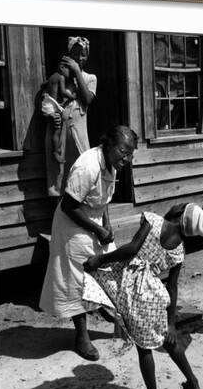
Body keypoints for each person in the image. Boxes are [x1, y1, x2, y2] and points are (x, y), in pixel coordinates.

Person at [82, 203, 203, 389]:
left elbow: (131, 249)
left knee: (143, 348)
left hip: (133, 290)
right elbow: (172, 286)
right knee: (168, 340)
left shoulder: (154, 221)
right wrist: (171, 323)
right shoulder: (179, 251)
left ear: (180, 213)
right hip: (156, 296)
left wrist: (100, 259)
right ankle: (193, 383)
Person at [39, 125, 138, 361]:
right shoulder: (88, 166)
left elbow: (103, 200)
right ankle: (81, 337)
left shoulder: (112, 164)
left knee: (109, 268)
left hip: (94, 221)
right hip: (72, 226)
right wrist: (97, 229)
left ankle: (112, 314)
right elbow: (68, 206)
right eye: (124, 152)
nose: (128, 158)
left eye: (131, 153)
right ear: (109, 146)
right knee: (77, 280)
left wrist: (107, 224)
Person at [44, 36, 97, 197]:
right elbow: (47, 100)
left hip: (78, 131)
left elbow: (87, 99)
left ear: (87, 57)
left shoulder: (89, 78)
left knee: (85, 168)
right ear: (67, 56)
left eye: (82, 54)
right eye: (74, 55)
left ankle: (90, 212)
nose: (78, 58)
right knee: (58, 172)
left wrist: (76, 71)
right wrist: (51, 116)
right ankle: (59, 213)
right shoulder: (59, 77)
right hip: (59, 131)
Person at [41, 59, 77, 163]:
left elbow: (43, 85)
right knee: (56, 131)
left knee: (55, 129)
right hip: (52, 106)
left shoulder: (52, 76)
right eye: (69, 71)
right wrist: (72, 96)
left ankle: (58, 148)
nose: (69, 74)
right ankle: (56, 152)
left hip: (47, 103)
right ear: (62, 68)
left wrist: (46, 92)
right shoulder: (61, 77)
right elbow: (63, 92)